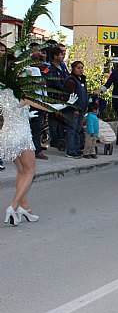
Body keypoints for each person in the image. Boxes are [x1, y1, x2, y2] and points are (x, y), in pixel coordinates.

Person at [1, 78, 77, 226]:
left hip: (5, 136)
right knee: (30, 171)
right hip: (21, 136)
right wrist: (67, 103)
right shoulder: (23, 95)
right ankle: (13, 206)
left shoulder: (3, 94)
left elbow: (9, 112)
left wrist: (25, 114)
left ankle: (25, 208)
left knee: (21, 171)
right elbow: (47, 107)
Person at [64, 61, 89, 158]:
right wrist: (74, 109)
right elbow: (70, 95)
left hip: (82, 108)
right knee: (72, 129)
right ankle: (70, 151)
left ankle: (77, 149)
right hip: (73, 109)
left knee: (78, 130)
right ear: (73, 69)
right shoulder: (71, 80)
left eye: (82, 68)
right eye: (78, 68)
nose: (80, 70)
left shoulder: (82, 79)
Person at [28, 51, 48, 160]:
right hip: (32, 102)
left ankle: (37, 148)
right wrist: (36, 83)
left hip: (41, 101)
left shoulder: (43, 72)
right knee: (34, 127)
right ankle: (35, 150)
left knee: (38, 127)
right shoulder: (30, 71)